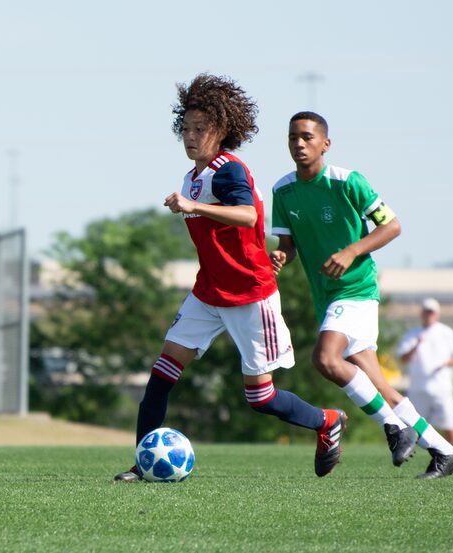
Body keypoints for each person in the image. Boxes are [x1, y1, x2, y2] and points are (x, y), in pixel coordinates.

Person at [114, 75, 346, 482]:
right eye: (185, 127)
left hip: (249, 296)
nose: (190, 135)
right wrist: (193, 203)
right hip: (209, 293)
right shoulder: (193, 176)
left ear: (221, 130)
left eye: (200, 128)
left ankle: (327, 421)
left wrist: (194, 207)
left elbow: (250, 215)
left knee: (260, 398)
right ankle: (142, 462)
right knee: (161, 374)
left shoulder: (229, 170)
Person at [269, 111, 453, 479]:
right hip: (326, 297)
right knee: (376, 383)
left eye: (308, 137)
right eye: (293, 137)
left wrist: (351, 251)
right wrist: (282, 255)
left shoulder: (348, 182)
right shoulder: (283, 190)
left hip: (357, 289)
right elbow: (288, 244)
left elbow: (392, 225)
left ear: (325, 144)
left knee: (325, 360)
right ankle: (444, 451)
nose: (299, 143)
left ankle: (393, 428)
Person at [398, 298, 453, 446]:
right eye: (426, 312)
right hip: (418, 387)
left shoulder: (446, 332)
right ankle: (410, 451)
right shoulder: (413, 334)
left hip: (441, 386)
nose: (429, 315)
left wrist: (445, 363)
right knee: (413, 423)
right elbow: (403, 357)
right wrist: (416, 346)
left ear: (437, 314)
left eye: (431, 312)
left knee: (449, 422)